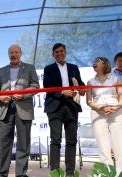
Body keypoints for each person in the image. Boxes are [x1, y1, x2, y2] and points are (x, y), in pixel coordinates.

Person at [0, 44, 39, 177]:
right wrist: (0, 96)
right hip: (5, 109)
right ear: (8, 54)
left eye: (16, 52)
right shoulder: (2, 70)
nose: (13, 54)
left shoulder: (30, 68)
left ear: (20, 53)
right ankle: (1, 174)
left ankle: (21, 174)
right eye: (11, 52)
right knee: (3, 144)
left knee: (23, 144)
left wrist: (23, 94)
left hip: (23, 108)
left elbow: (35, 86)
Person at [43, 43, 85, 176]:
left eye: (61, 51)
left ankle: (69, 173)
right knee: (55, 141)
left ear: (65, 52)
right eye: (56, 52)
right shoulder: (48, 68)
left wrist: (82, 89)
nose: (59, 53)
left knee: (71, 141)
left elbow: (80, 83)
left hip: (72, 106)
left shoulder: (74, 67)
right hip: (54, 106)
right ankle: (55, 173)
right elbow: (47, 87)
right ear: (53, 54)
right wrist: (62, 92)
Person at [87, 57, 122, 175]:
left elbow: (121, 96)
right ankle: (107, 174)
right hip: (98, 113)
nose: (94, 62)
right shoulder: (90, 82)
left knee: (119, 145)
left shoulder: (115, 79)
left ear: (104, 64)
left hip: (116, 112)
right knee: (103, 147)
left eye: (97, 61)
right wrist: (99, 108)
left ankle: (120, 173)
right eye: (94, 61)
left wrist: (117, 107)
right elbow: (89, 101)